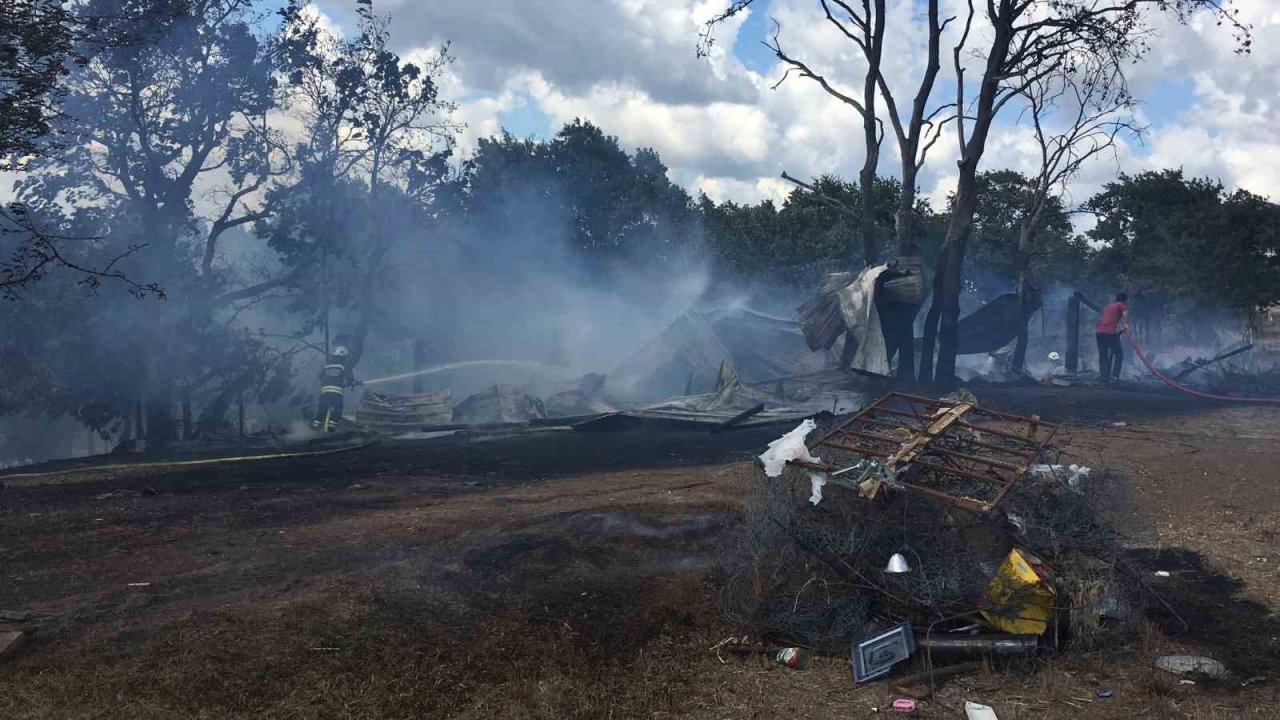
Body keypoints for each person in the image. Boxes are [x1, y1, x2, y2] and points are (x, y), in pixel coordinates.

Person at [313, 341, 360, 431]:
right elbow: (349, 378)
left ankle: (314, 427)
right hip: (336, 392)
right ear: (344, 356)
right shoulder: (344, 365)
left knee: (322, 409)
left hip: (324, 392)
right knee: (338, 408)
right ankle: (331, 427)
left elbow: (321, 377)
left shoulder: (327, 366)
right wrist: (352, 383)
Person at [1096, 292, 1130, 385]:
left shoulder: (1108, 306)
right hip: (1109, 333)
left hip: (1099, 333)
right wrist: (1126, 325)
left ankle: (1104, 379)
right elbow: (1125, 314)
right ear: (1125, 300)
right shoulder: (1121, 305)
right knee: (1119, 353)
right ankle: (1115, 376)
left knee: (1103, 356)